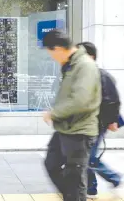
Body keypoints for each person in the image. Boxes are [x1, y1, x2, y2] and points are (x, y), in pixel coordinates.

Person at [42, 30, 101, 201]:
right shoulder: (70, 65)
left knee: (75, 178)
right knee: (51, 164)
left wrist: (54, 113)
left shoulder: (84, 66)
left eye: (51, 53)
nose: (52, 57)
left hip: (79, 132)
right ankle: (71, 196)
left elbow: (80, 100)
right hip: (65, 129)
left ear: (59, 48)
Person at [76, 42, 122, 199]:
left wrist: (113, 120)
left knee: (88, 157)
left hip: (98, 123)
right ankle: (91, 189)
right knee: (85, 156)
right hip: (85, 123)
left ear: (91, 56)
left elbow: (112, 101)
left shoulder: (101, 76)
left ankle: (114, 178)